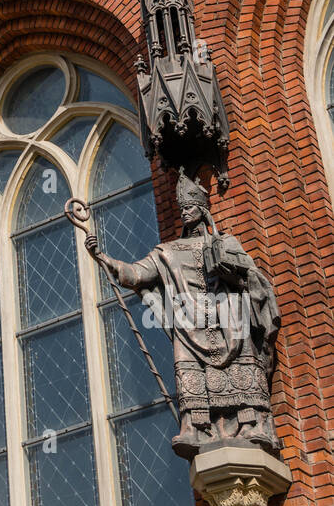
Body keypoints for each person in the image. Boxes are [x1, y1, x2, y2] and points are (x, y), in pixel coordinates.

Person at [85, 170, 281, 459]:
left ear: (202, 211)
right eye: (183, 209)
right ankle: (195, 427)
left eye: (190, 207)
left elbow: (250, 277)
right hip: (189, 322)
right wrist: (104, 258)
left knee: (242, 368)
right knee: (188, 368)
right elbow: (138, 273)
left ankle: (252, 424)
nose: (185, 213)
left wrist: (232, 273)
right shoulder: (168, 252)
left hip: (229, 317)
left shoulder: (226, 243)